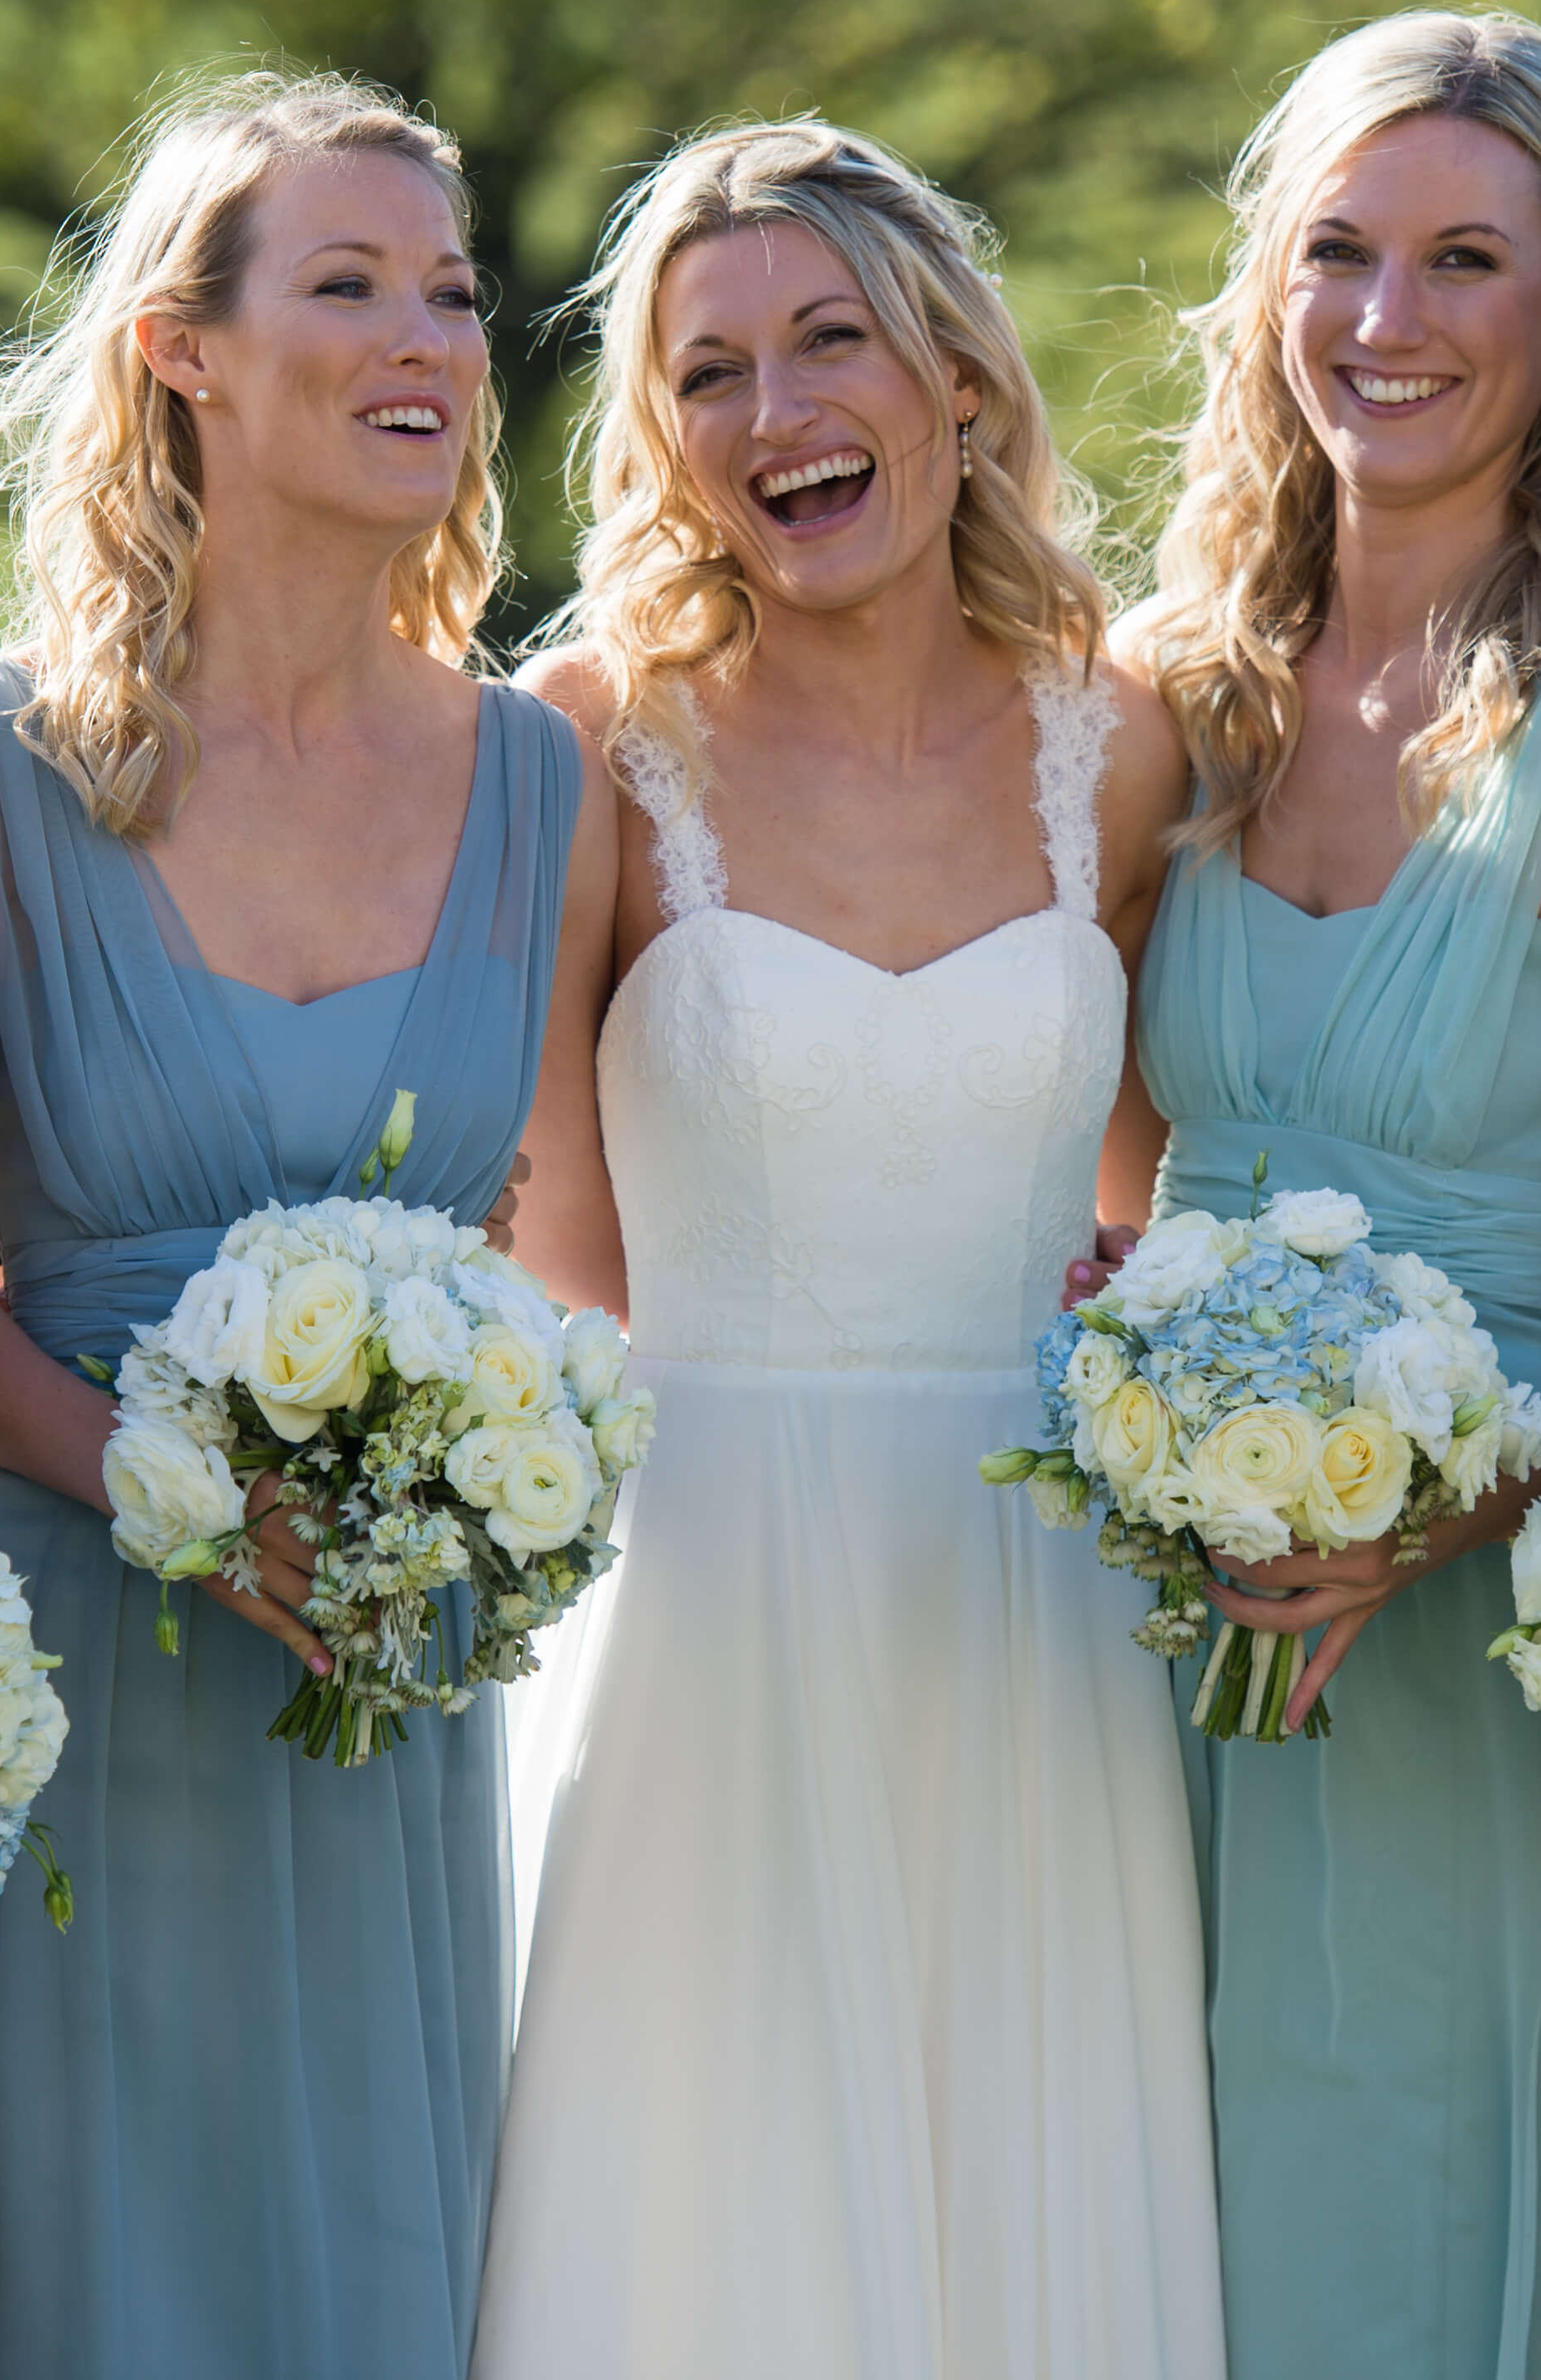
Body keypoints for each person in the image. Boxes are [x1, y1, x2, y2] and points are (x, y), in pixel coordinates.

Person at [0, 73, 614, 2378]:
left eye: (456, 294)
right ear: (181, 351)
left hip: (378, 1697)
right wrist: (168, 1495)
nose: (430, 336)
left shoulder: (537, 780)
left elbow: (553, 1253)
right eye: (351, 284)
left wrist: (482, 1483)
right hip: (78, 1665)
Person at [475, 121, 1223, 2380]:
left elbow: (1152, 1185)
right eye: (714, 374)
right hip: (699, 1597)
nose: (782, 411)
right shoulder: (591, 744)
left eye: (835, 341)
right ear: (663, 443)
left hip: (1038, 1625)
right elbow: (549, 1232)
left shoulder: (1123, 741)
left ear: (960, 384)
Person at [1114, 9, 1541, 2380]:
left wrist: (1447, 1505)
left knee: (1411, 2234)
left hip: (1466, 1656)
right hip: (1155, 1632)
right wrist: (1147, 1403)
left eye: (1463, 261)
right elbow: (1100, 1159)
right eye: (1338, 254)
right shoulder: (1183, 705)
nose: (1386, 325)